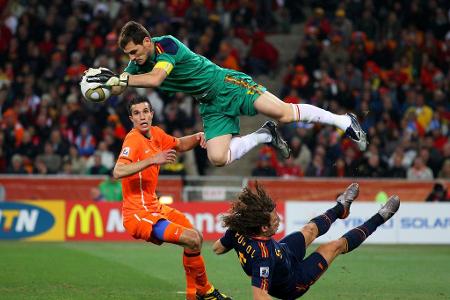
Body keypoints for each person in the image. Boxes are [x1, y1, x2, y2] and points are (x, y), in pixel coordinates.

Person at [86, 21, 367, 168]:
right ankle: (265, 135)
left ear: (147, 41)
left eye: (134, 51)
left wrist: (122, 78)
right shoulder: (135, 65)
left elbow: (157, 78)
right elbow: (124, 82)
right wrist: (107, 83)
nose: (132, 58)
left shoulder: (167, 45)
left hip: (227, 84)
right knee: (218, 158)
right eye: (128, 55)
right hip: (210, 105)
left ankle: (343, 121)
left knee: (283, 112)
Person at [113, 96, 231, 300]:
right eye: (137, 113)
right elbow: (118, 171)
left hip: (155, 207)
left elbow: (179, 144)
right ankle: (204, 292)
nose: (142, 116)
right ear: (131, 118)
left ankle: (197, 293)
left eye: (145, 111)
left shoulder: (157, 133)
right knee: (192, 239)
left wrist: (198, 136)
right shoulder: (133, 140)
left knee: (196, 237)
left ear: (152, 113)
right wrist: (153, 159)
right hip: (138, 214)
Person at [213, 183, 400, 299]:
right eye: (275, 220)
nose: (279, 219)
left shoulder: (239, 229)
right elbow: (260, 296)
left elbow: (217, 249)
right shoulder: (262, 257)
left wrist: (234, 244)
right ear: (263, 228)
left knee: (310, 229)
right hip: (293, 281)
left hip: (283, 251)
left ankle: (341, 208)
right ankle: (381, 217)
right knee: (334, 246)